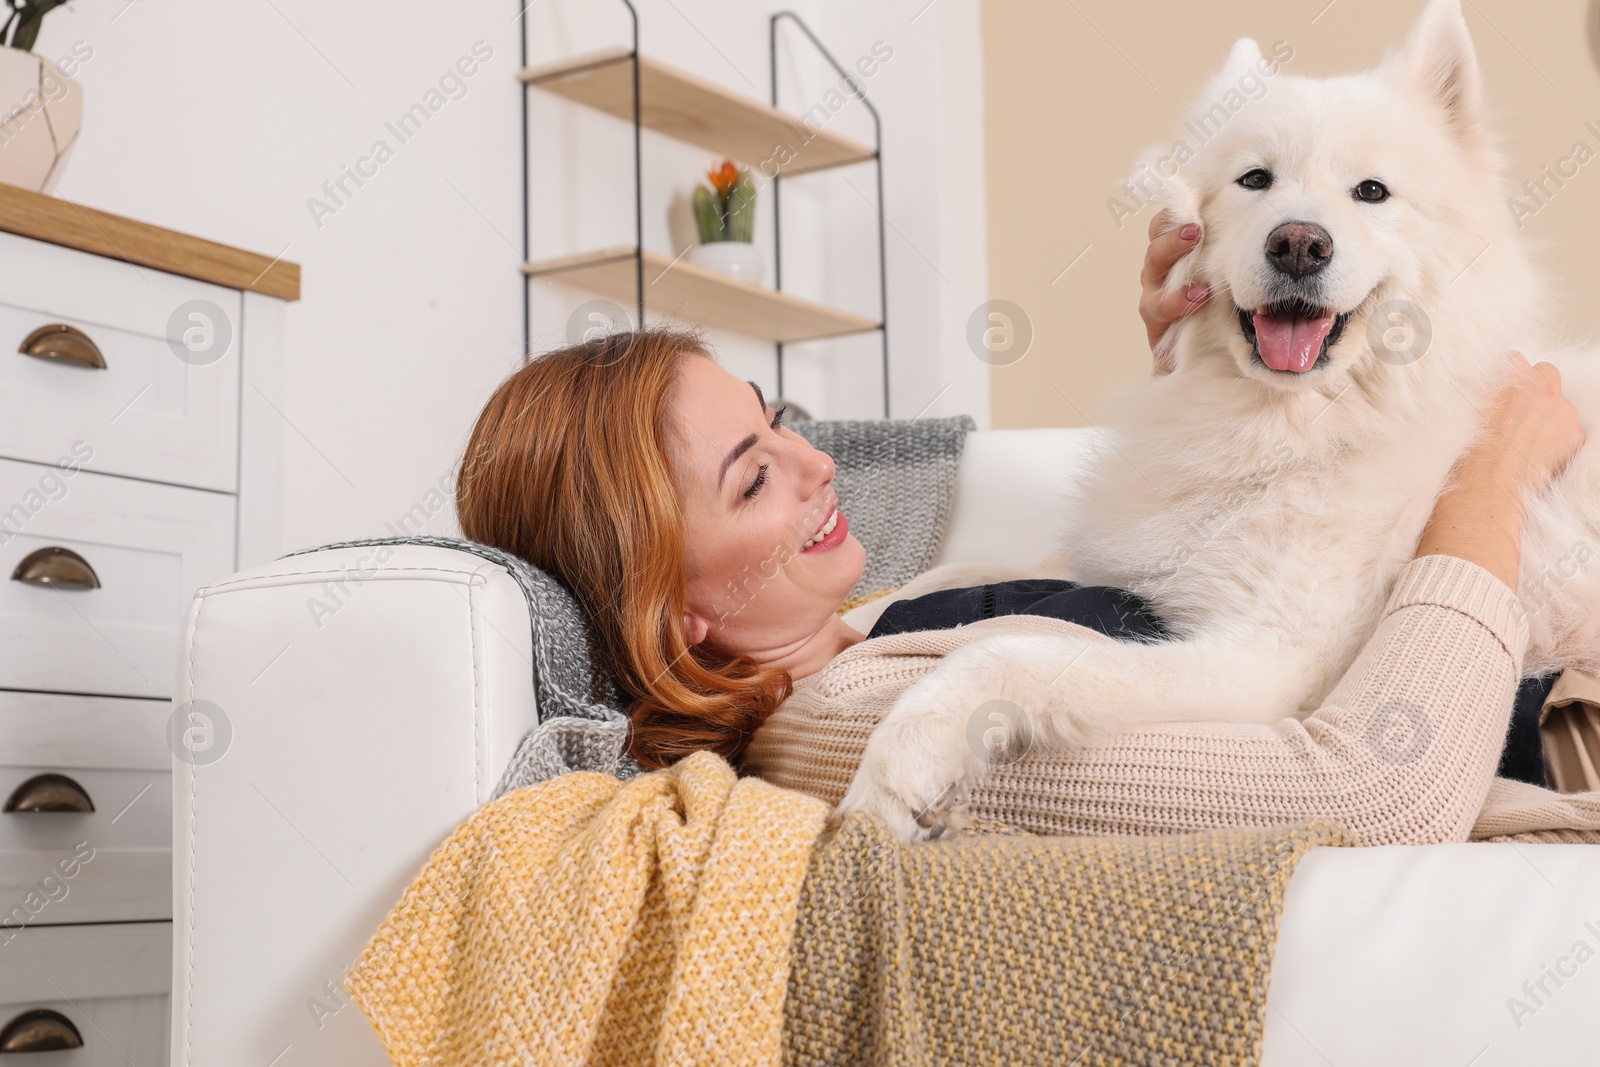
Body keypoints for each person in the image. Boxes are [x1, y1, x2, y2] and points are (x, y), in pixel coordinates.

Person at [456, 218, 1600, 845]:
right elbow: (1362, 797)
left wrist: (1210, 359)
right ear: (675, 608)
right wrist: (1488, 483)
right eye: (755, 478)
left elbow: (1217, 611)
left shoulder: (891, 625)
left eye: (780, 424)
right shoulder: (859, 735)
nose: (818, 463)